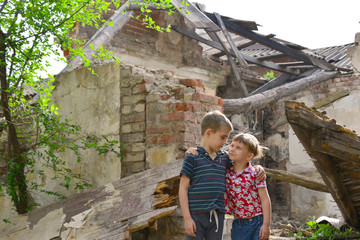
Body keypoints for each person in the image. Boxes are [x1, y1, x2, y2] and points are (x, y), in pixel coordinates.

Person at [179, 110, 265, 240]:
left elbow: (242, 164)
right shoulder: (192, 157)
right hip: (196, 216)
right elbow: (183, 188)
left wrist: (258, 167)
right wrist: (187, 218)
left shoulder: (224, 158)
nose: (225, 142)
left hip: (217, 216)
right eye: (223, 137)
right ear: (209, 133)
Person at [226, 133, 271, 240]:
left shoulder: (255, 173)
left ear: (249, 156)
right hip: (238, 224)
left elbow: (265, 200)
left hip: (258, 222)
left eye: (238, 148)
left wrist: (266, 225)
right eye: (232, 145)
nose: (232, 149)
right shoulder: (226, 172)